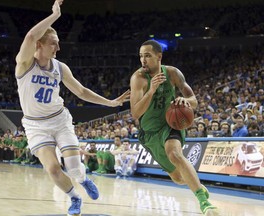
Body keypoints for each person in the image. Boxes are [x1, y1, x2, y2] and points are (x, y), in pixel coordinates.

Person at [15, 1, 130, 215]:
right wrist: (55, 15)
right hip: (35, 126)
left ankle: (83, 179)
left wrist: (110, 102)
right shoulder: (24, 64)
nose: (58, 47)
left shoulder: (60, 67)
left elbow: (81, 91)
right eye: (53, 43)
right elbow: (30, 36)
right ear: (39, 44)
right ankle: (74, 197)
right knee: (52, 168)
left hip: (60, 121)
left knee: (74, 168)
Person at [130, 40, 218, 215]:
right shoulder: (138, 78)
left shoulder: (172, 73)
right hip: (150, 133)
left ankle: (203, 202)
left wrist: (185, 101)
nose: (143, 60)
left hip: (171, 124)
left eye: (147, 56)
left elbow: (193, 100)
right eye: (141, 56)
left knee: (175, 154)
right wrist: (152, 90)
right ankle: (197, 184)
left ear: (159, 56)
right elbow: (135, 113)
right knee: (178, 178)